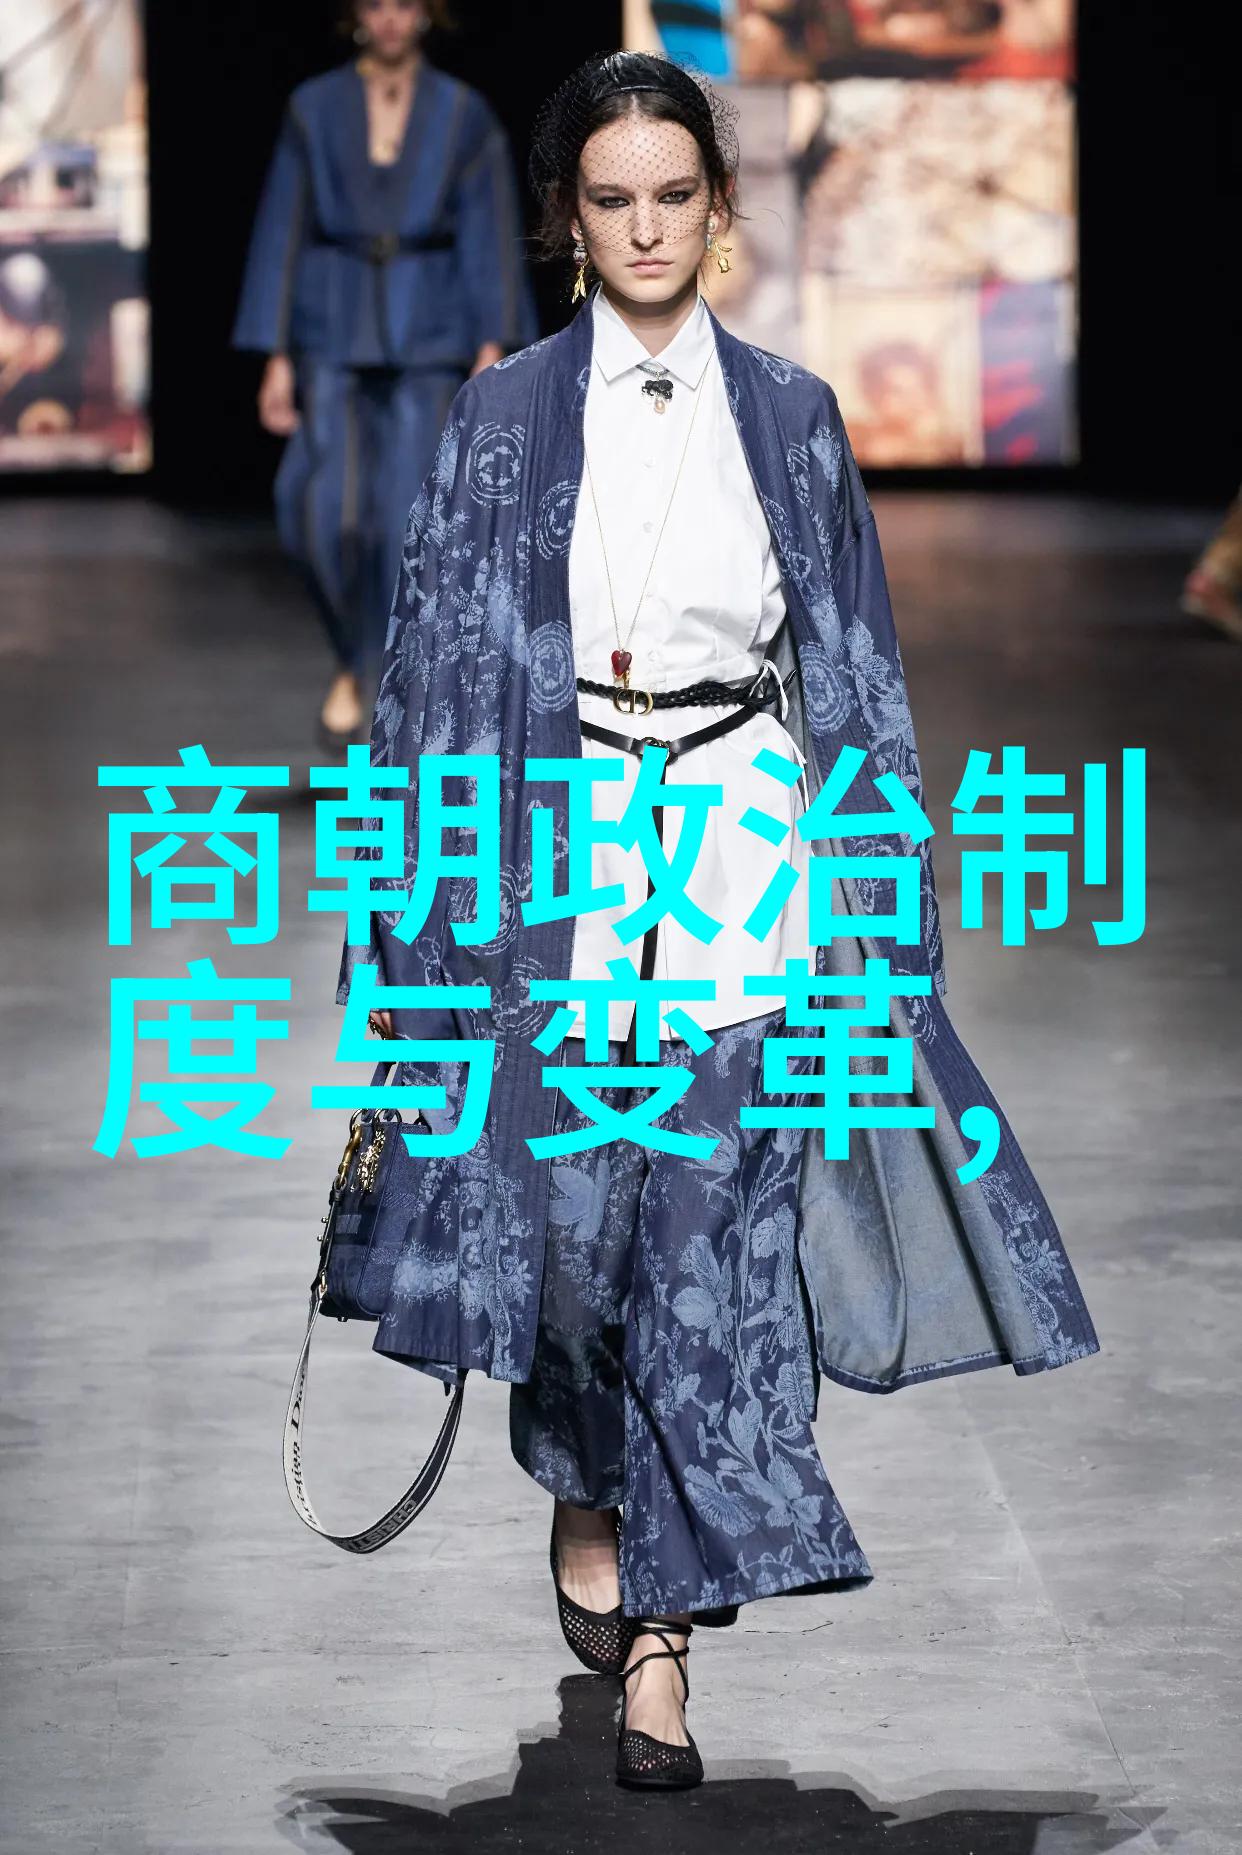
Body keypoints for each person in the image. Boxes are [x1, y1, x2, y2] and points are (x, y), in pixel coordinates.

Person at [346, 49, 1099, 1793]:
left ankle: (665, 1648)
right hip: (556, 858)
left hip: (740, 844)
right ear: (567, 217)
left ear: (719, 206)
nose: (645, 229)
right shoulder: (499, 416)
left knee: (715, 1240)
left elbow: (856, 669)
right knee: (577, 1238)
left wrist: (881, 902)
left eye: (673, 196)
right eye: (611, 200)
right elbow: (427, 681)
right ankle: (588, 1479)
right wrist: (412, 926)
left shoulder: (794, 414)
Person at [232, 0, 537, 747]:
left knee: (413, 520)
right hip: (331, 330)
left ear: (428, 13)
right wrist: (275, 354)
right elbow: (283, 226)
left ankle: (390, 683)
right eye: (376, 4)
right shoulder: (314, 107)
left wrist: (493, 345)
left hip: (431, 333)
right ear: (354, 15)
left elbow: (490, 226)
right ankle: (352, 657)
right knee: (323, 516)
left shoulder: (462, 112)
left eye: (405, 3)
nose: (391, 19)